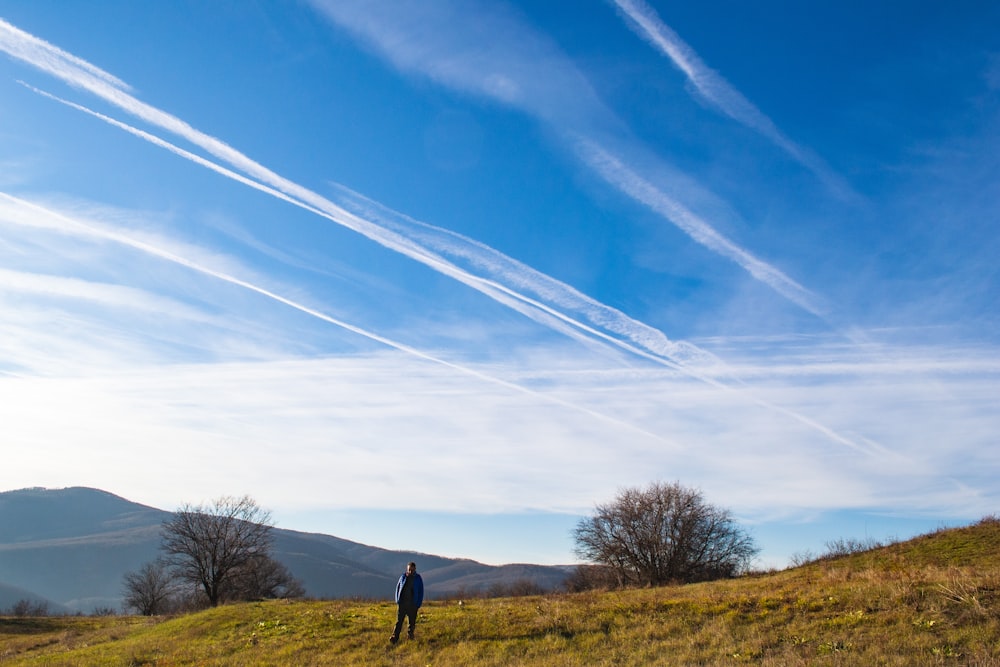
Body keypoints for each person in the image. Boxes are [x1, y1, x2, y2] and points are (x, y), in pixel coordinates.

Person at [390, 561, 424, 644]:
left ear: (415, 569)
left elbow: (421, 591)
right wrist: (397, 600)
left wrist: (418, 604)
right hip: (402, 604)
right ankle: (394, 637)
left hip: (413, 605)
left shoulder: (418, 578)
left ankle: (410, 638)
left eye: (412, 570)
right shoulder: (403, 577)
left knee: (411, 623)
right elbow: (398, 588)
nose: (410, 571)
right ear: (407, 569)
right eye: (409, 570)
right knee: (398, 622)